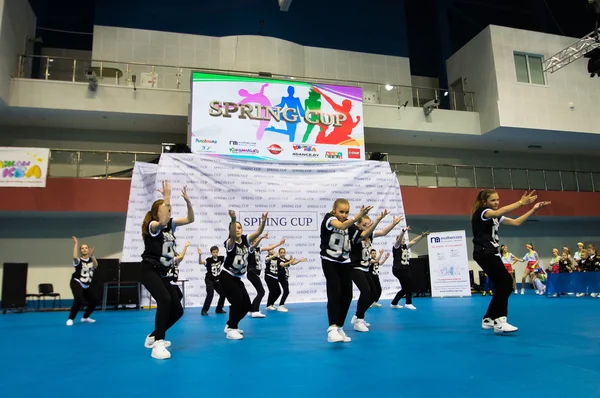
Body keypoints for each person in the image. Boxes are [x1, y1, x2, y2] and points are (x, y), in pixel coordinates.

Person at [471, 189, 550, 333]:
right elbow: (495, 212)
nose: (496, 203)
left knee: (504, 284)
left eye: (497, 200)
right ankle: (500, 321)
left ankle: (488, 319)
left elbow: (516, 222)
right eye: (493, 200)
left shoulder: (495, 218)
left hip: (492, 254)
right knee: (507, 283)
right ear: (484, 202)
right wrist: (521, 203)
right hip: (484, 252)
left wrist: (532, 209)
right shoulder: (483, 212)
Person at [140, 181, 195, 360]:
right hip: (149, 270)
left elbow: (190, 219)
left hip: (163, 273)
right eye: (166, 209)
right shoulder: (153, 227)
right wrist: (167, 196)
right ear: (157, 212)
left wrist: (188, 203)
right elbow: (163, 220)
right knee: (164, 299)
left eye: (170, 209)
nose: (169, 212)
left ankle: (153, 335)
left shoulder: (171, 225)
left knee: (177, 309)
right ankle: (158, 343)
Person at [320, 198, 371, 343]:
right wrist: (357, 216)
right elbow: (340, 226)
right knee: (334, 292)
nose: (344, 214)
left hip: (344, 262)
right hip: (329, 261)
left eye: (346, 212)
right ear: (334, 210)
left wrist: (377, 221)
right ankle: (332, 328)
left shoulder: (349, 224)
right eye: (341, 211)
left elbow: (362, 235)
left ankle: (340, 327)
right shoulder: (329, 219)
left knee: (348, 295)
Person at [349, 211, 403, 332]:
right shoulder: (356, 235)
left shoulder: (370, 235)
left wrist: (393, 224)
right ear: (358, 225)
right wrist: (377, 220)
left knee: (374, 294)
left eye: (369, 225)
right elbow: (364, 234)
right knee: (366, 291)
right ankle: (359, 320)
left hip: (365, 269)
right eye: (364, 225)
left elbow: (383, 232)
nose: (367, 227)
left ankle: (358, 315)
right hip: (354, 268)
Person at [220, 210, 267, 340]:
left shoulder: (246, 240)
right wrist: (233, 219)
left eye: (240, 228)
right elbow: (233, 237)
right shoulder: (230, 243)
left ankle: (230, 324)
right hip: (226, 276)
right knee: (236, 301)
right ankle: (232, 329)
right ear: (231, 231)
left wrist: (263, 222)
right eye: (235, 228)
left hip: (237, 278)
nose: (238, 230)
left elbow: (258, 232)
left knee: (246, 305)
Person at [246, 234, 285, 318]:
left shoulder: (258, 249)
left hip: (255, 273)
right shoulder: (250, 249)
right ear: (252, 242)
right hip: (252, 273)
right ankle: (255, 311)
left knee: (260, 292)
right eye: (254, 241)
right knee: (261, 292)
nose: (256, 242)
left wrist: (279, 243)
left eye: (257, 241)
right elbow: (254, 245)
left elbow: (269, 248)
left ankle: (251, 310)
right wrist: (261, 237)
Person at [390, 227, 429, 310]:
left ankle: (394, 303)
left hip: (404, 270)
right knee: (409, 283)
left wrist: (422, 236)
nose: (403, 240)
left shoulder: (405, 247)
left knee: (404, 288)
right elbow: (399, 239)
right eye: (402, 239)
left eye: (404, 239)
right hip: (398, 269)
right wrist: (403, 231)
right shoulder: (396, 246)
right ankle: (408, 303)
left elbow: (414, 241)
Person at [66, 236, 99, 326]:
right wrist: (76, 244)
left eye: (86, 248)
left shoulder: (91, 261)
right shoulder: (78, 261)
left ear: (88, 250)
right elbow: (74, 256)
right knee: (79, 300)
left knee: (94, 300)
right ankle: (70, 318)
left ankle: (85, 317)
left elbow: (96, 265)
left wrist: (92, 255)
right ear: (80, 251)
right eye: (82, 248)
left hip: (86, 285)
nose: (84, 249)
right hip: (77, 282)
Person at [198, 246, 226, 316]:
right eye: (213, 252)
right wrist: (200, 255)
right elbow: (200, 262)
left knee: (223, 294)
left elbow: (230, 258)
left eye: (216, 252)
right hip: (209, 280)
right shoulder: (208, 260)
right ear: (211, 253)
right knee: (210, 294)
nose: (215, 254)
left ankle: (219, 309)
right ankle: (204, 310)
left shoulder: (221, 258)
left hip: (217, 280)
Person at [276, 247, 307, 312]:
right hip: (281, 277)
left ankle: (279, 305)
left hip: (285, 277)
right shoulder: (278, 259)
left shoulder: (285, 259)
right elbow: (283, 265)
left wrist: (299, 261)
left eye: (284, 252)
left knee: (286, 291)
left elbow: (292, 263)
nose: (283, 254)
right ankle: (280, 306)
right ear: (279, 253)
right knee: (286, 291)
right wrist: (290, 261)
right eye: (281, 253)